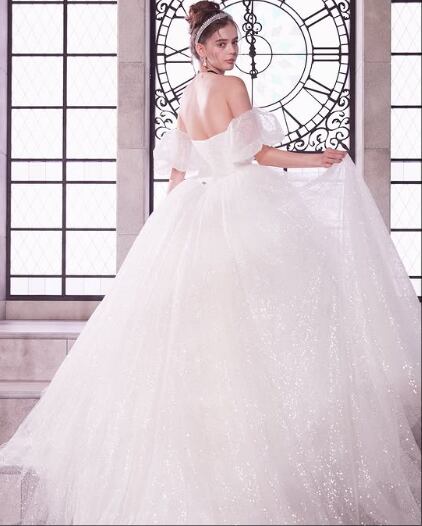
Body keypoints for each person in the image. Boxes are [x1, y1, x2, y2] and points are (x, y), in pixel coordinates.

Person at [0, 1, 420, 524]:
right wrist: (317, 159)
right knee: (256, 327)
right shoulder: (232, 87)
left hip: (195, 205)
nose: (232, 51)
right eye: (221, 44)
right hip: (239, 201)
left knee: (206, 333)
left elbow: (178, 170)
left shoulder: (188, 93)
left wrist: (167, 225)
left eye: (235, 42)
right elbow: (259, 156)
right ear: (200, 47)